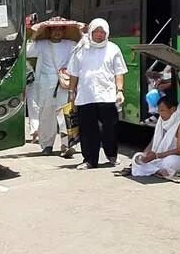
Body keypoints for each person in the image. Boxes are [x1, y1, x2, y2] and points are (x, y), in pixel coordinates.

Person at [66, 18, 128, 170]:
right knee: (88, 131)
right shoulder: (80, 49)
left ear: (106, 33)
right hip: (86, 96)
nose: (99, 35)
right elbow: (74, 73)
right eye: (96, 32)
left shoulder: (113, 49)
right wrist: (71, 92)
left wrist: (119, 91)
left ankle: (112, 155)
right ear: (91, 32)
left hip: (107, 95)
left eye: (102, 32)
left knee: (110, 128)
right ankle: (89, 160)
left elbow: (119, 72)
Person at [26, 24, 76, 156]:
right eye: (54, 29)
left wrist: (82, 32)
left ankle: (66, 145)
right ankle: (47, 145)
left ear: (64, 31)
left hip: (64, 83)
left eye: (60, 29)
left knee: (65, 114)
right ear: (49, 31)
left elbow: (83, 48)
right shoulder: (41, 44)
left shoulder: (70, 44)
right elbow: (26, 52)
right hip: (46, 84)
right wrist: (34, 35)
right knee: (46, 115)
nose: (57, 32)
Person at [124, 93, 180, 178]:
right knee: (137, 157)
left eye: (162, 111)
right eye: (159, 111)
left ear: (173, 110)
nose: (160, 114)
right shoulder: (161, 122)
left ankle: (152, 169)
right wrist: (145, 155)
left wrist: (156, 156)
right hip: (161, 157)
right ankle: (157, 170)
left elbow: (179, 151)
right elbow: (153, 143)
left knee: (170, 162)